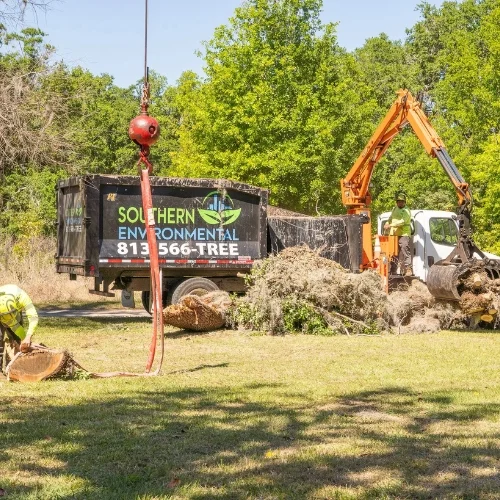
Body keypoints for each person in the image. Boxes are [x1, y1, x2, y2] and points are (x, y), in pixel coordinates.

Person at [0, 284, 39, 372]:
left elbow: (33, 317)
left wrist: (27, 337)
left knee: (17, 338)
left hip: (15, 306)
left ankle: (17, 364)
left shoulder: (22, 297)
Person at [384, 193, 412, 276]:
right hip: (394, 234)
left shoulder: (407, 211)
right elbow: (390, 218)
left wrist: (391, 225)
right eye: (398, 201)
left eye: (402, 202)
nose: (400, 203)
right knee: (394, 252)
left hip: (404, 233)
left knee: (404, 247)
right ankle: (393, 270)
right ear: (396, 202)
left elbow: (402, 222)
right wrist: (387, 223)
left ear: (404, 202)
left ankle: (408, 268)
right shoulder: (394, 209)